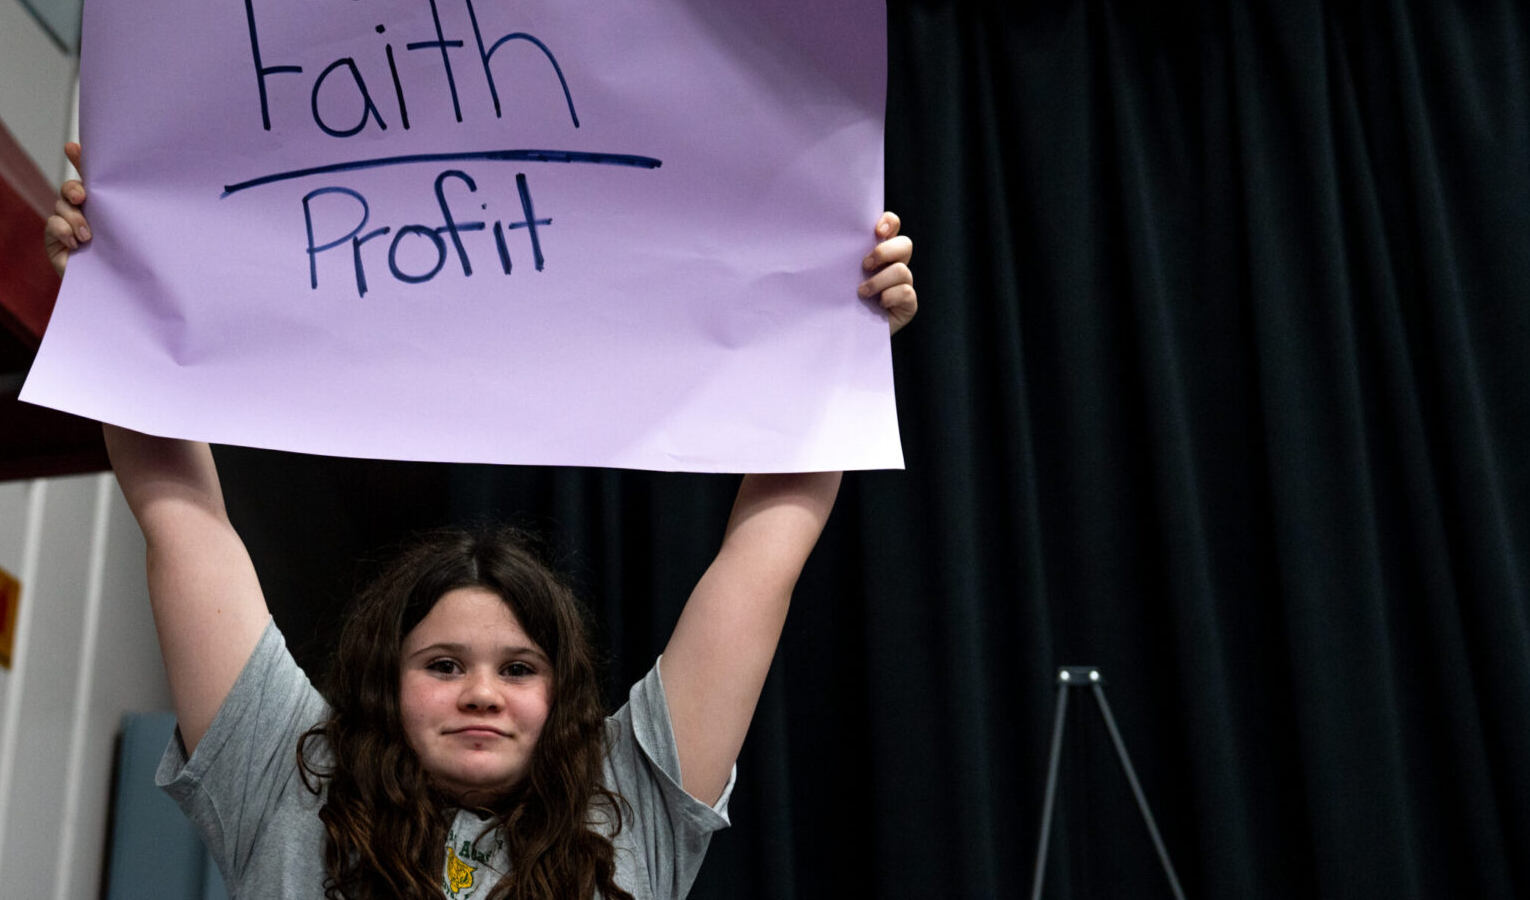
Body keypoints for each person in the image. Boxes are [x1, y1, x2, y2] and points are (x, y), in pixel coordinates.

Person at [45, 141, 916, 900]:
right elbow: (184, 520)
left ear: (562, 691)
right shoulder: (286, 780)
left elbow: (763, 555)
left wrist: (839, 332)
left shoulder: (630, 802)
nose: (482, 694)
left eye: (520, 667)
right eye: (443, 663)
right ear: (385, 678)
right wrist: (115, 289)